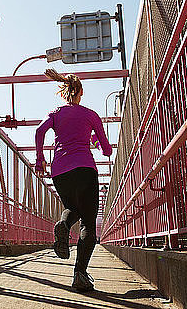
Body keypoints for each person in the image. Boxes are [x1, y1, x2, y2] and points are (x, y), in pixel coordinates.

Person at [34, 69, 112, 292]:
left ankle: (65, 224)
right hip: (85, 168)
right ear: (81, 92)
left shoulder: (57, 113)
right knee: (88, 221)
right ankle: (80, 274)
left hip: (59, 170)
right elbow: (106, 149)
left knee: (72, 208)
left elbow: (40, 132)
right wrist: (96, 141)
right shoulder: (90, 115)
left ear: (64, 92)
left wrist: (40, 159)